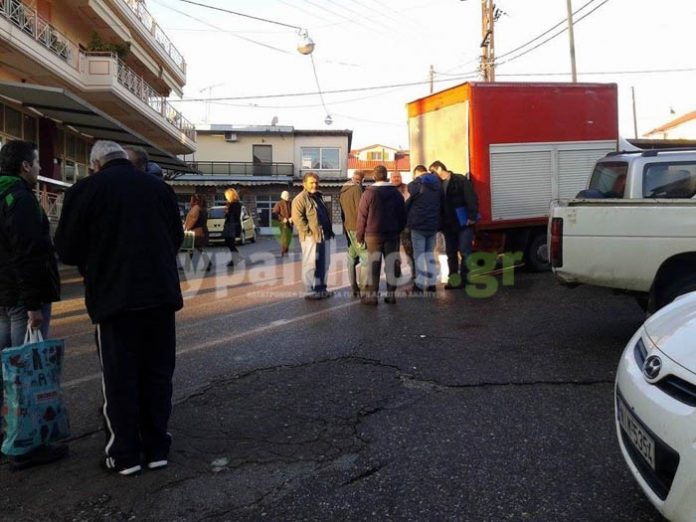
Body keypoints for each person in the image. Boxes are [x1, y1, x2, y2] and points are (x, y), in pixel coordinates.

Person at [54, 140, 183, 476]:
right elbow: (176, 237)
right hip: (160, 296)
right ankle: (156, 448)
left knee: (119, 378)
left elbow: (66, 249)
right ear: (124, 159)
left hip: (114, 299)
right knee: (157, 375)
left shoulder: (85, 190)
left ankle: (124, 454)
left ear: (96, 164)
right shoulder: (158, 189)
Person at [0, 139, 66, 470]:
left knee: (8, 370)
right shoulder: (21, 199)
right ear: (25, 166)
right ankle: (25, 445)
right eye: (37, 162)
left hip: (4, 295)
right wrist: (32, 306)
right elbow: (26, 253)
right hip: (22, 298)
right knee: (25, 371)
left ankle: (10, 435)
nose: (40, 167)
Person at [356, 165, 406, 305]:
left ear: (374, 177)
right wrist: (398, 229)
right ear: (387, 176)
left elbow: (362, 217)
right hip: (392, 234)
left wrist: (359, 236)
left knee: (374, 265)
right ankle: (391, 295)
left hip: (373, 236)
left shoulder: (368, 193)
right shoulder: (396, 194)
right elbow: (403, 215)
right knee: (392, 263)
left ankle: (372, 296)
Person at [429, 160, 479, 289]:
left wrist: (472, 216)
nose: (432, 174)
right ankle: (454, 279)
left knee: (465, 251)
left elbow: (471, 197)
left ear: (439, 168)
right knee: (451, 253)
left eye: (432, 171)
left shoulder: (459, 180)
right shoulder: (438, 184)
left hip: (463, 222)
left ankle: (466, 278)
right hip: (448, 223)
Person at [291, 172, 334, 300]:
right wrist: (309, 233)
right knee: (310, 265)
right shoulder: (300, 199)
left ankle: (321, 289)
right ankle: (309, 291)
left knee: (324, 264)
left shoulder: (318, 196)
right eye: (311, 182)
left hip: (324, 236)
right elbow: (298, 219)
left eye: (316, 182)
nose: (314, 184)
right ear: (304, 184)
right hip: (310, 237)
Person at [407, 164, 442, 293]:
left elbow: (409, 195)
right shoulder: (438, 184)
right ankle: (432, 284)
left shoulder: (415, 184)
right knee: (430, 255)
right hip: (433, 225)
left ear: (417, 173)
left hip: (419, 225)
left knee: (419, 255)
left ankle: (420, 285)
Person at [339, 170, 369, 297]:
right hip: (357, 228)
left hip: (348, 228)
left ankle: (354, 287)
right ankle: (364, 290)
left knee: (351, 258)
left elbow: (341, 213)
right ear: (361, 179)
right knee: (366, 258)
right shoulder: (357, 189)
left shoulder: (343, 190)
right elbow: (361, 211)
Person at [391, 170, 414, 281]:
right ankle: (397, 273)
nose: (396, 178)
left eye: (398, 176)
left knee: (409, 250)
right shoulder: (388, 189)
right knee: (394, 251)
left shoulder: (407, 188)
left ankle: (414, 273)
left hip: (406, 225)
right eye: (394, 177)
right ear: (390, 178)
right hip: (392, 226)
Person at [183, 194, 211, 272]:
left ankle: (187, 266)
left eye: (191, 200)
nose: (190, 201)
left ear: (195, 201)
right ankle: (207, 263)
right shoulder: (203, 208)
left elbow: (193, 220)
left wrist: (187, 229)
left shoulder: (195, 208)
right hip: (202, 230)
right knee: (197, 248)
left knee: (192, 248)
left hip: (196, 232)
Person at [223, 188, 242, 267]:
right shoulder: (238, 204)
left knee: (229, 242)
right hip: (235, 225)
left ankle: (236, 258)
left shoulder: (232, 204)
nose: (226, 198)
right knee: (230, 243)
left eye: (226, 196)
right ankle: (236, 258)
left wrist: (226, 211)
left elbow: (231, 215)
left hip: (231, 226)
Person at [272, 190, 293, 257]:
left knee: (289, 238)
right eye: (287, 196)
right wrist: (282, 219)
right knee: (284, 238)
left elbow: (294, 212)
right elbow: (275, 214)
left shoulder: (290, 203)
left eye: (288, 196)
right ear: (283, 196)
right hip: (282, 224)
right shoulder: (279, 204)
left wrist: (292, 218)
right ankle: (283, 252)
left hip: (290, 224)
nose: (288, 197)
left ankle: (286, 251)